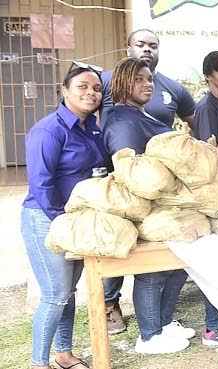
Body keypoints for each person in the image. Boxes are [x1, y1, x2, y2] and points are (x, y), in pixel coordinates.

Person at [101, 30, 197, 333]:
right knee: (152, 274)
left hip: (166, 204)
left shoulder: (140, 114)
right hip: (147, 208)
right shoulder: (122, 121)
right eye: (138, 80)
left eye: (149, 79)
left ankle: (164, 325)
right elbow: (130, 172)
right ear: (121, 83)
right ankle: (151, 335)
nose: (147, 84)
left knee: (177, 267)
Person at [22, 62, 106, 369]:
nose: (90, 93)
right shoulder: (48, 130)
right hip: (48, 219)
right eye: (82, 86)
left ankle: (64, 354)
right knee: (55, 294)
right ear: (65, 91)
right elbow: (40, 183)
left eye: (96, 88)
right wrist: (62, 220)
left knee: (69, 293)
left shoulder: (91, 127)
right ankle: (38, 363)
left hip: (78, 219)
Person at [100, 29, 195, 130]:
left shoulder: (175, 88)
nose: (147, 49)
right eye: (140, 45)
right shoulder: (104, 81)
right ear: (128, 50)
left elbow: (198, 125)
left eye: (153, 47)